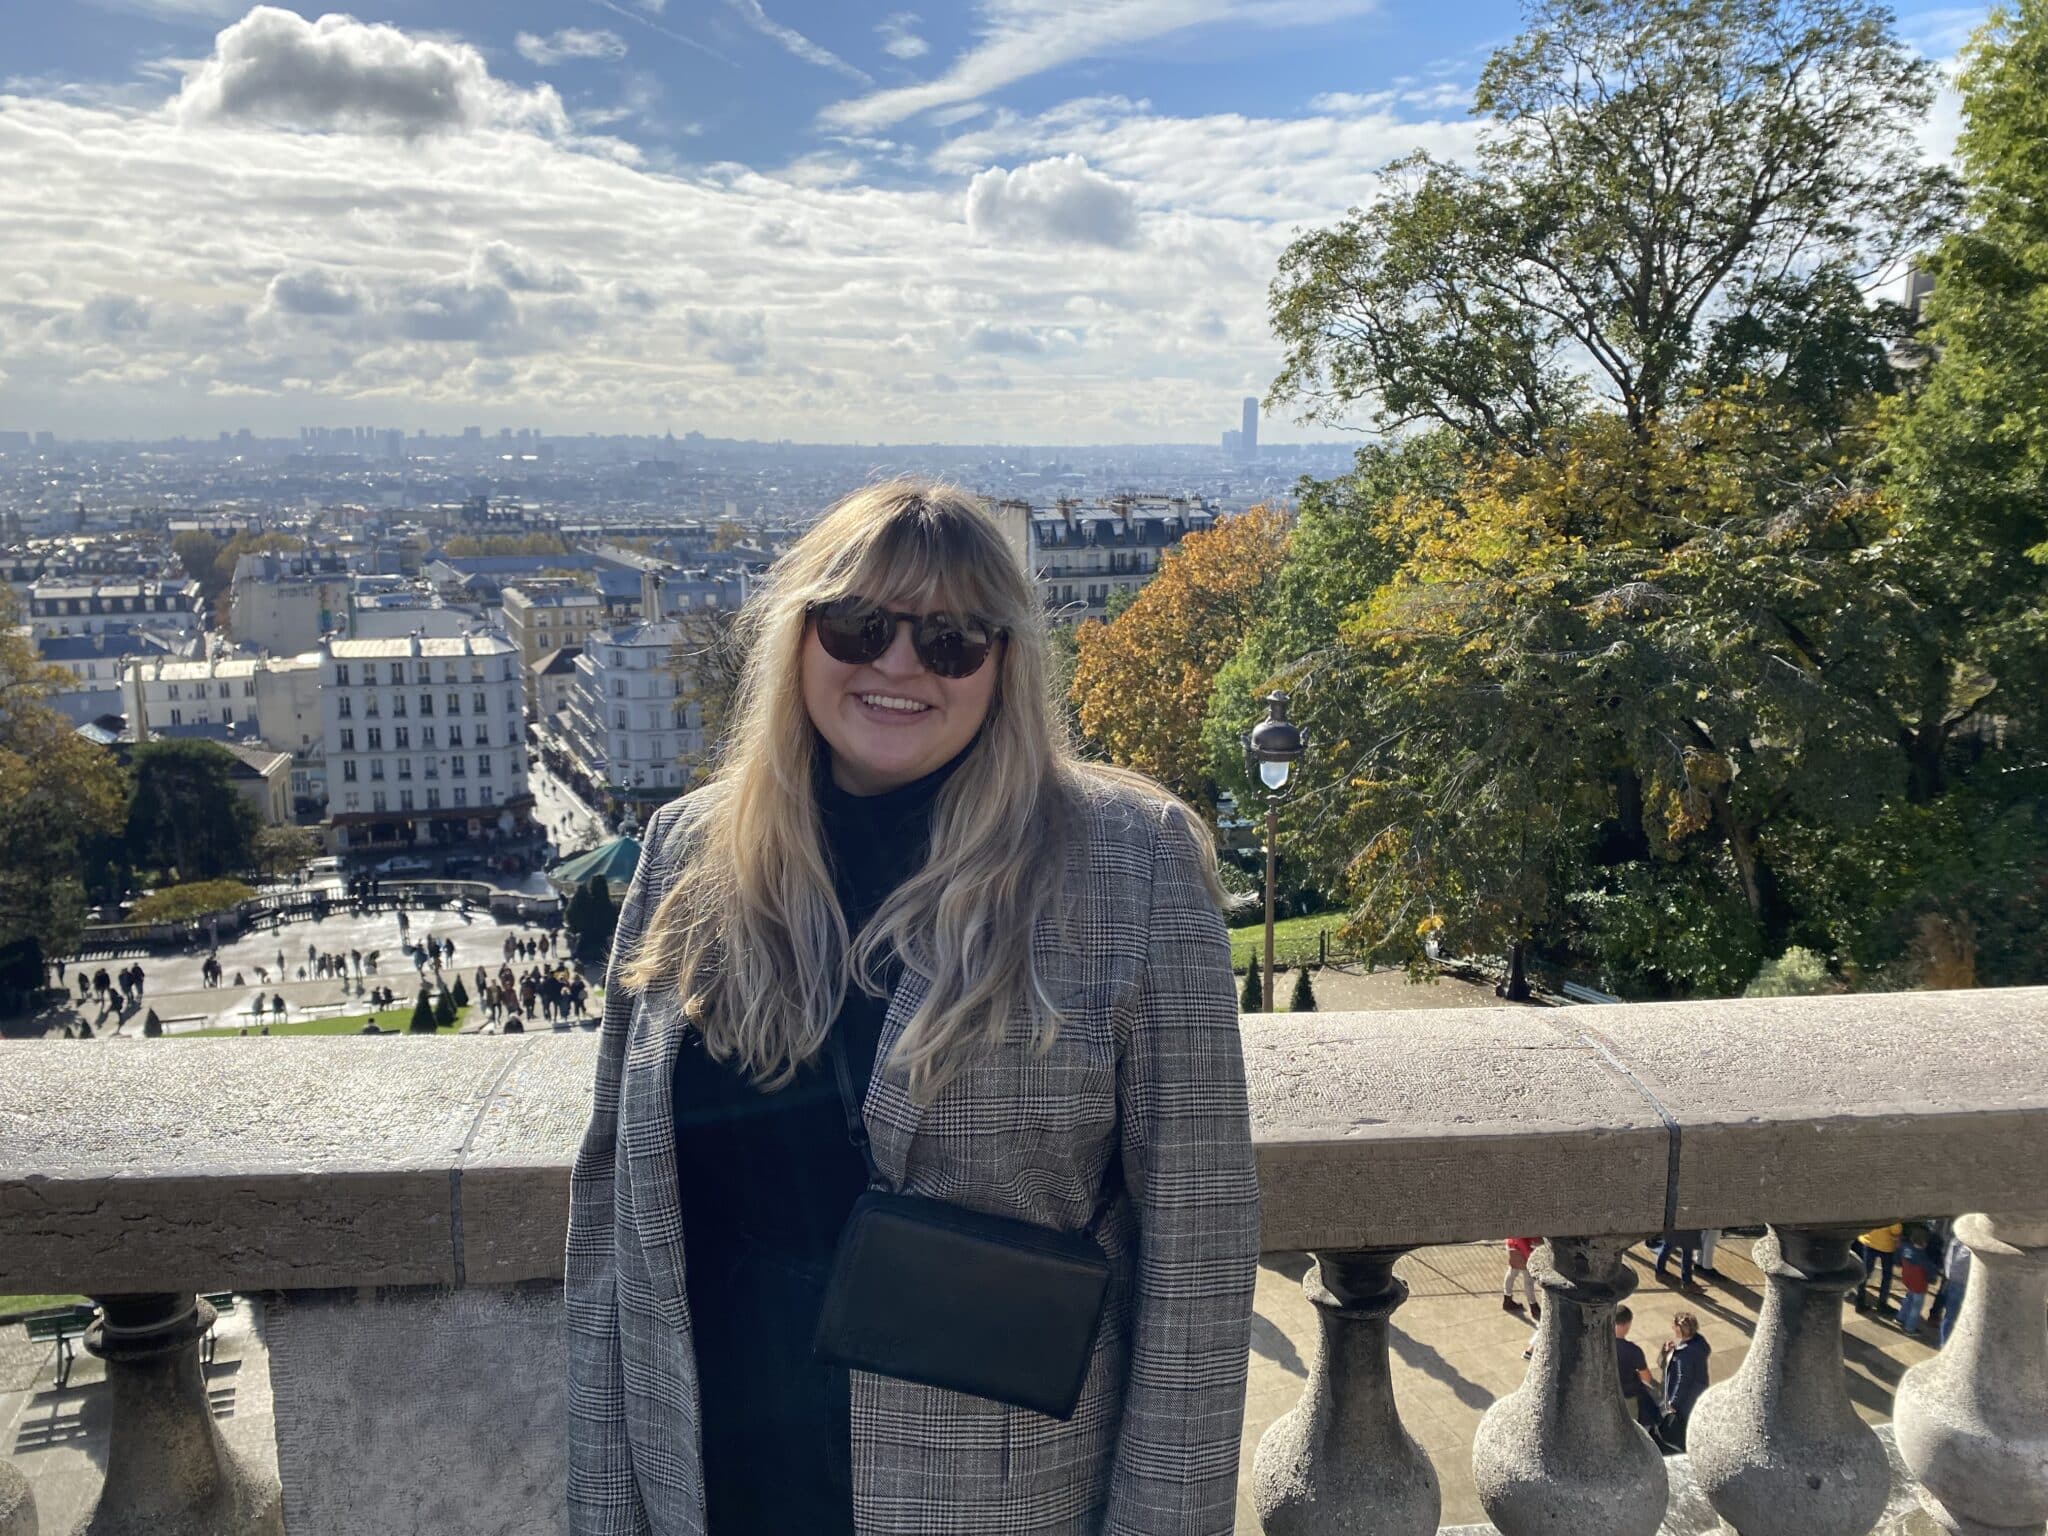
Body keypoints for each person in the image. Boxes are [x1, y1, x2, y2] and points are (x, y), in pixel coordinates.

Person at [565, 481, 1260, 1536]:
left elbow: (1197, 1259)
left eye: (949, 639)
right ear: (796, 637)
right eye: (858, 625)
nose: (896, 664)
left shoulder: (1130, 863)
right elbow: (618, 1213)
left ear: (1004, 664)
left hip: (990, 1493)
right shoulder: (689, 849)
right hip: (717, 1461)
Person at [1658, 1312, 1711, 1453]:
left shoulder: (1683, 1355)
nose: (1672, 1328)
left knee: (1682, 1424)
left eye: (1674, 1326)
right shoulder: (1700, 1342)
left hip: (1685, 1400)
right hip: (1699, 1389)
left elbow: (1682, 1380)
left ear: (1681, 1330)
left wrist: (1673, 1402)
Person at [1613, 1304, 1659, 1432]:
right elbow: (1646, 1378)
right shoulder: (1633, 1351)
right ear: (1628, 1324)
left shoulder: (1599, 1345)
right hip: (1627, 1396)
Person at [1854, 1222, 1904, 1314]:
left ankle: (1859, 1302)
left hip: (1868, 1241)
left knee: (1864, 1274)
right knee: (1886, 1277)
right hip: (1886, 1247)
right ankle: (1882, 1304)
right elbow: (1896, 1232)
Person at [1938, 1227, 1972, 1346]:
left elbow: (1948, 1261)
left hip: (1954, 1282)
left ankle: (1945, 1343)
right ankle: (1945, 1344)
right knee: (1952, 1317)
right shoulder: (1967, 1249)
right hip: (1960, 1284)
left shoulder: (1955, 1242)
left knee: (1951, 1317)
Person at [1896, 1226, 1934, 1335]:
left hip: (1908, 1280)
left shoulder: (1905, 1248)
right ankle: (1910, 1328)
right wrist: (1932, 1279)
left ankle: (1900, 1318)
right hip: (1919, 1285)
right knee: (1916, 1307)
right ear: (1925, 1243)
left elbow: (1898, 1259)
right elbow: (1930, 1274)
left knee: (1908, 1299)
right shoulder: (1924, 1258)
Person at [1502, 1236, 1542, 1319]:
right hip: (1521, 1248)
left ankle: (1507, 1300)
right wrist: (1531, 1259)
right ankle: (1534, 1307)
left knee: (1512, 1272)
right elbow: (1524, 1245)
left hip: (1513, 1246)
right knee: (1528, 1281)